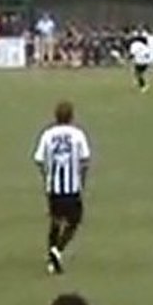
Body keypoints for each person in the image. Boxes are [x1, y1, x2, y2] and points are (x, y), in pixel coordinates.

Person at [33, 101, 91, 275]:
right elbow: (85, 160)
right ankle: (57, 250)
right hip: (72, 187)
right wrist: (82, 181)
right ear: (71, 116)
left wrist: (46, 178)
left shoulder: (48, 134)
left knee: (56, 221)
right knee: (74, 220)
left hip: (54, 187)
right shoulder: (77, 134)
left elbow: (39, 160)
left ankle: (52, 261)